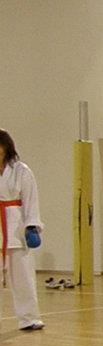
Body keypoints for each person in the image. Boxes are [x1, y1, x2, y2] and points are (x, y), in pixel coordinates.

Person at [0, 129, 44, 331]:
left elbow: (30, 199)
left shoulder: (21, 170)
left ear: (6, 148)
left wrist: (32, 225)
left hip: (16, 226)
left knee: (22, 276)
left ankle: (29, 318)